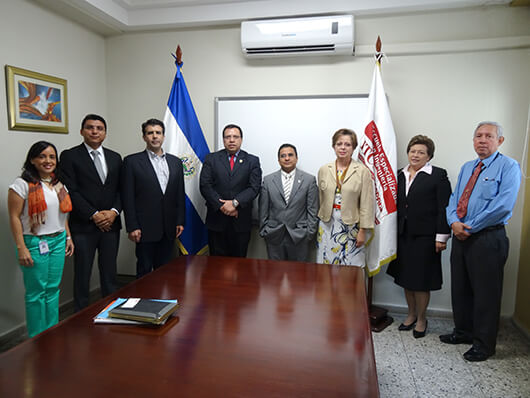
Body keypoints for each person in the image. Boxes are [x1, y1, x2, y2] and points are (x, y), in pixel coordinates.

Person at [440, 121, 521, 362]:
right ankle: (463, 332)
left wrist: (470, 227)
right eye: (478, 136)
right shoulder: (468, 167)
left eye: (488, 136)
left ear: (500, 141)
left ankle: (484, 344)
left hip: (487, 237)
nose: (482, 140)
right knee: (461, 288)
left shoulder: (509, 166)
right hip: (461, 235)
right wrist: (454, 222)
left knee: (486, 293)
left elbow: (503, 204)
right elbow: (454, 200)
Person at [386, 135, 451, 338]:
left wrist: (442, 237)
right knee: (406, 278)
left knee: (421, 281)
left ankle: (422, 319)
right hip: (403, 235)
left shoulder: (438, 175)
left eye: (421, 152)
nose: (416, 155)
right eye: (413, 151)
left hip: (426, 237)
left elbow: (444, 208)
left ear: (429, 155)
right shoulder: (399, 174)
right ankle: (411, 314)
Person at [8, 141, 74, 337]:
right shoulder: (21, 185)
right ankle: (36, 337)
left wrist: (68, 237)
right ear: (33, 159)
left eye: (52, 157)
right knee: (36, 292)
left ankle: (51, 332)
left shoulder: (58, 184)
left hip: (58, 240)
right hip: (35, 243)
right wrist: (21, 248)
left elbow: (64, 215)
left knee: (53, 289)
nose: (48, 161)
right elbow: (14, 217)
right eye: (42, 156)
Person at [60, 114, 122, 311]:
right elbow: (71, 191)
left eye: (99, 128)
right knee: (82, 273)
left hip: (111, 225)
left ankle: (111, 311)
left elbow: (121, 190)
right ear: (82, 131)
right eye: (90, 127)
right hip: (83, 225)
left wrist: (113, 212)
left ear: (105, 133)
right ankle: (80, 316)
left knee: (109, 273)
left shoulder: (115, 157)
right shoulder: (69, 156)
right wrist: (94, 214)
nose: (95, 131)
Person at [121, 118, 185, 278]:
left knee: (165, 271)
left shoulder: (176, 163)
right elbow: (127, 196)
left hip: (169, 228)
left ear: (164, 136)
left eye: (158, 133)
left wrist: (179, 221)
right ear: (144, 137)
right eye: (150, 133)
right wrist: (132, 226)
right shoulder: (132, 162)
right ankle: (144, 302)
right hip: (144, 228)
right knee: (144, 270)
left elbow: (179, 194)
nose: (154, 136)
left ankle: (162, 302)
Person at [200, 124, 262, 257]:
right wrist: (222, 205)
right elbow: (205, 185)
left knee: (239, 264)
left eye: (235, 137)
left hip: (240, 221)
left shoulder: (252, 161)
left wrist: (234, 203)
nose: (232, 140)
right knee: (216, 265)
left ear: (241, 139)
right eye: (228, 137)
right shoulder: (211, 159)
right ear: (223, 140)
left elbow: (254, 187)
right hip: (216, 220)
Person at [316, 128, 374, 266]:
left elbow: (366, 203)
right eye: (339, 144)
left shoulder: (362, 171)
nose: (343, 147)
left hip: (351, 226)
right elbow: (320, 199)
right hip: (327, 224)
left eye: (347, 144)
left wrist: (362, 231)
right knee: (326, 265)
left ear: (353, 147)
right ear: (333, 146)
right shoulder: (324, 169)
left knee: (350, 268)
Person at [259, 144, 319, 261]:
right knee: (274, 274)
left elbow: (312, 209)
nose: (287, 158)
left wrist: (309, 233)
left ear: (296, 158)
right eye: (283, 156)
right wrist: (264, 230)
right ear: (278, 160)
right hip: (274, 235)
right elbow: (263, 208)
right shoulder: (268, 180)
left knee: (298, 275)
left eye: (290, 155)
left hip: (299, 236)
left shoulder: (309, 180)